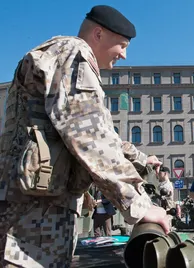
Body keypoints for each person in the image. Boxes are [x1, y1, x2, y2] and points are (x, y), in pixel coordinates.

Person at [0, 5, 170, 267]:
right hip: (30, 218)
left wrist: (141, 159)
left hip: (37, 212)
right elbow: (88, 136)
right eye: (122, 45)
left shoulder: (66, 58)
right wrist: (139, 206)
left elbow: (99, 134)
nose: (124, 55)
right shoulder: (74, 52)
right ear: (99, 34)